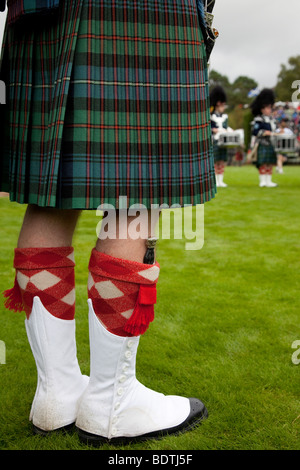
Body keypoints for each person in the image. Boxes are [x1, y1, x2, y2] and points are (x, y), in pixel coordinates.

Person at [0, 0, 216, 444]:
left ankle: (55, 395)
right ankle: (111, 405)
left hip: (39, 15)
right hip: (137, 15)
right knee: (136, 193)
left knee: (50, 194)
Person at [250, 89, 278, 188]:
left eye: (270, 107)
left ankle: (269, 181)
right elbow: (255, 131)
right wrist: (264, 132)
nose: (269, 110)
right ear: (262, 109)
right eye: (267, 108)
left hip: (271, 143)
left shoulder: (272, 120)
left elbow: (275, 130)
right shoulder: (258, 119)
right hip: (262, 143)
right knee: (262, 163)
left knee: (270, 163)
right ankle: (262, 181)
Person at [210, 86, 231, 187]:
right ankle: (215, 181)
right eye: (222, 105)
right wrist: (214, 130)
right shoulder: (210, 115)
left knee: (222, 161)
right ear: (218, 104)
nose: (223, 107)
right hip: (214, 140)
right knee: (215, 161)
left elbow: (226, 127)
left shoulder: (225, 116)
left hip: (224, 140)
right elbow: (209, 128)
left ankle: (220, 180)